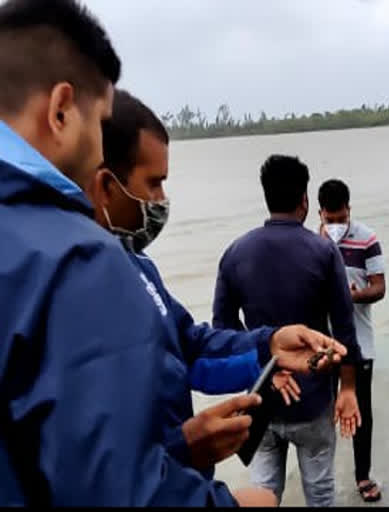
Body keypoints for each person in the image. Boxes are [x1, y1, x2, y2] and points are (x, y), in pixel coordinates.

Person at [0, 0, 261, 505]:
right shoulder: (76, 261)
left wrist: (267, 349)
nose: (98, 149)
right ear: (60, 111)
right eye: (98, 122)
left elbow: (186, 349)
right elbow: (113, 489)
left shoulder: (128, 266)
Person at [88, 89, 349, 480]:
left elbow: (193, 345)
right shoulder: (65, 282)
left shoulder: (142, 266)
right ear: (106, 185)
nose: (161, 200)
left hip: (256, 402)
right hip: (297, 405)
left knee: (265, 485)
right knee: (317, 487)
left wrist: (268, 347)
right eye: (154, 183)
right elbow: (82, 459)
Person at [213, 155, 362, 507]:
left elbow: (222, 330)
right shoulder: (323, 251)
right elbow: (344, 325)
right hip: (313, 397)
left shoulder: (235, 253)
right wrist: (349, 388)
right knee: (320, 492)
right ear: (305, 200)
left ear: (266, 196)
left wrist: (262, 368)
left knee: (263, 492)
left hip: (263, 394)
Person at [318, 179, 386, 503]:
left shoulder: (367, 239)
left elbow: (380, 287)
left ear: (348, 210)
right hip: (321, 345)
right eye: (328, 220)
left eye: (339, 218)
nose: (333, 225)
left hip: (359, 341)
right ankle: (323, 478)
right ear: (319, 213)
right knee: (322, 413)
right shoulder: (310, 243)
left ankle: (362, 476)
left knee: (361, 412)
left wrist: (353, 296)